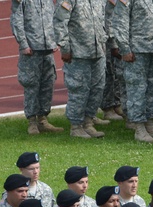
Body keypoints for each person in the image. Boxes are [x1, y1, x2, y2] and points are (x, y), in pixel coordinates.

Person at [111, 0, 153, 143]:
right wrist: (125, 48)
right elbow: (120, 21)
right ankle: (139, 128)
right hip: (137, 49)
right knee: (137, 89)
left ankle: (150, 124)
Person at [54, 0, 108, 139]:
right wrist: (65, 47)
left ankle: (88, 122)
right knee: (79, 90)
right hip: (78, 52)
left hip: (98, 50)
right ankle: (76, 126)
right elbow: (60, 22)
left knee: (97, 87)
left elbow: (104, 19)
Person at [12, 0, 62, 134]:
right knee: (32, 85)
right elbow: (17, 21)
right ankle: (32, 121)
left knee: (48, 84)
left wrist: (57, 39)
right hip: (32, 49)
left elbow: (55, 18)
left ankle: (43, 119)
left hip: (48, 48)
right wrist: (23, 44)